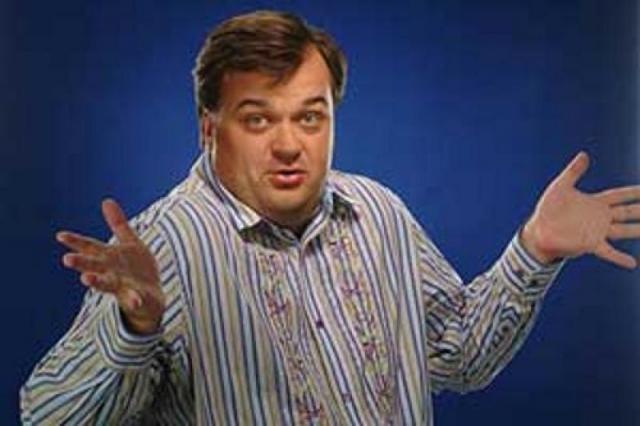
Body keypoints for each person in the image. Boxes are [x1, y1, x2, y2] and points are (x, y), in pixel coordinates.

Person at [20, 10, 640, 425]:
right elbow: (46, 414)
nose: (289, 144)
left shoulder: (379, 212)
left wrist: (535, 249)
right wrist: (136, 328)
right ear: (210, 128)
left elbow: (459, 359)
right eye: (258, 119)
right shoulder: (160, 249)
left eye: (309, 117)